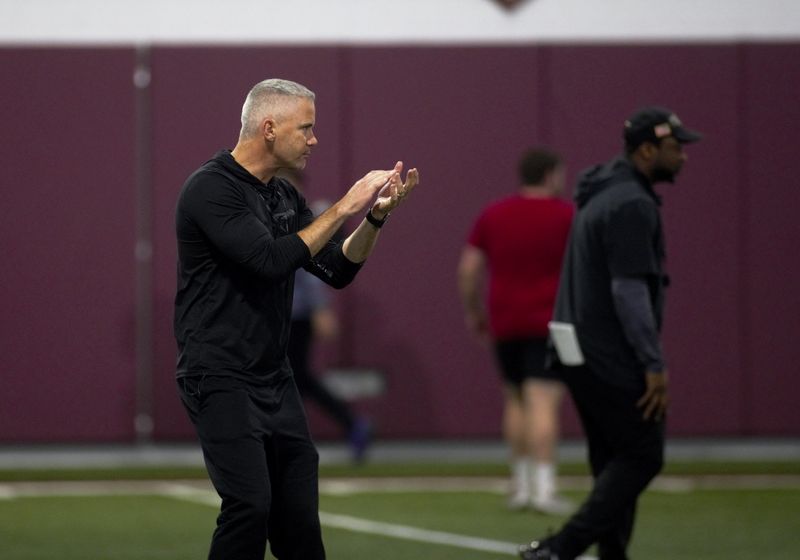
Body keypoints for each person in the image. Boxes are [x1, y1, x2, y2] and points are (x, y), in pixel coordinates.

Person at [174, 78, 419, 560]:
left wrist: (373, 219)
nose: (314, 140)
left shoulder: (282, 195)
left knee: (299, 520)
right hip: (219, 375)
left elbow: (337, 268)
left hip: (273, 377)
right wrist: (346, 205)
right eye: (305, 128)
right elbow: (268, 259)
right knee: (249, 506)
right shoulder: (210, 189)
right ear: (269, 128)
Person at [519, 106, 701, 560]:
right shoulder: (632, 204)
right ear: (646, 150)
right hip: (609, 353)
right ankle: (562, 548)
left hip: (576, 350)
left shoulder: (602, 192)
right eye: (675, 148)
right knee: (643, 456)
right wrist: (653, 362)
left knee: (612, 462)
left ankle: (609, 554)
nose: (683, 157)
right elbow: (629, 293)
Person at [458, 148, 575, 514]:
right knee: (544, 401)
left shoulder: (495, 213)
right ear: (551, 174)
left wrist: (475, 311)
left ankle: (521, 485)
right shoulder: (566, 215)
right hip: (551, 320)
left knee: (515, 399)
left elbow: (468, 270)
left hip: (505, 320)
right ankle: (543, 488)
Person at [289, 266, 373, 463]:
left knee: (293, 377)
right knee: (296, 378)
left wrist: (320, 307)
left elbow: (305, 264)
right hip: (286, 310)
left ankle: (350, 423)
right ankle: (351, 423)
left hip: (294, 313)